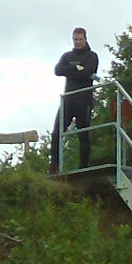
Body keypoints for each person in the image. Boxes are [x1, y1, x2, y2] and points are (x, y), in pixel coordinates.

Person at [53, 27, 100, 172]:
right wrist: (75, 68)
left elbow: (88, 72)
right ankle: (54, 165)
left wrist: (72, 70)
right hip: (68, 99)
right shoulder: (67, 56)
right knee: (57, 132)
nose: (78, 42)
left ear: (85, 39)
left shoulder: (92, 56)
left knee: (83, 133)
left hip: (84, 99)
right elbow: (57, 70)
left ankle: (83, 167)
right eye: (75, 39)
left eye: (80, 39)